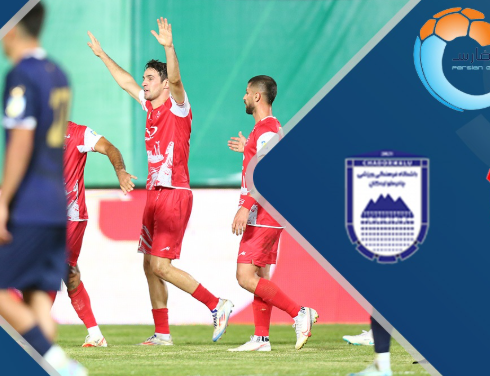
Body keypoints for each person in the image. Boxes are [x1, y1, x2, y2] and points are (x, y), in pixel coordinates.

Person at [87, 18, 234, 345]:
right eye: (145, 78)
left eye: (151, 78)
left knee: (162, 266)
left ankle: (217, 304)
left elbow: (177, 78)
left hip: (173, 194)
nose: (144, 82)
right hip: (154, 195)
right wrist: (102, 55)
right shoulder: (150, 107)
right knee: (148, 264)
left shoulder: (178, 107)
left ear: (165, 84)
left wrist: (169, 47)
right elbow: (125, 82)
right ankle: (162, 333)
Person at [0, 2, 86, 375]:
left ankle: (61, 365)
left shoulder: (21, 74)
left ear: (12, 29)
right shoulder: (59, 74)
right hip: (57, 203)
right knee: (38, 298)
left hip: (30, 203)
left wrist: (3, 201)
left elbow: (21, 141)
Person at [226, 75, 318, 351]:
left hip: (264, 212)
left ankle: (299, 312)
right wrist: (247, 148)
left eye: (246, 92)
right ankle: (261, 338)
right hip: (268, 211)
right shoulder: (264, 130)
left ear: (257, 96)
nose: (243, 97)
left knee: (245, 276)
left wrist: (245, 207)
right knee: (260, 275)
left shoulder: (267, 129)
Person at [53, 120, 136, 347]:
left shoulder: (78, 133)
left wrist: (120, 171)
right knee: (69, 274)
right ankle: (96, 335)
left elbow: (109, 147)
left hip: (71, 215)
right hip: (45, 216)